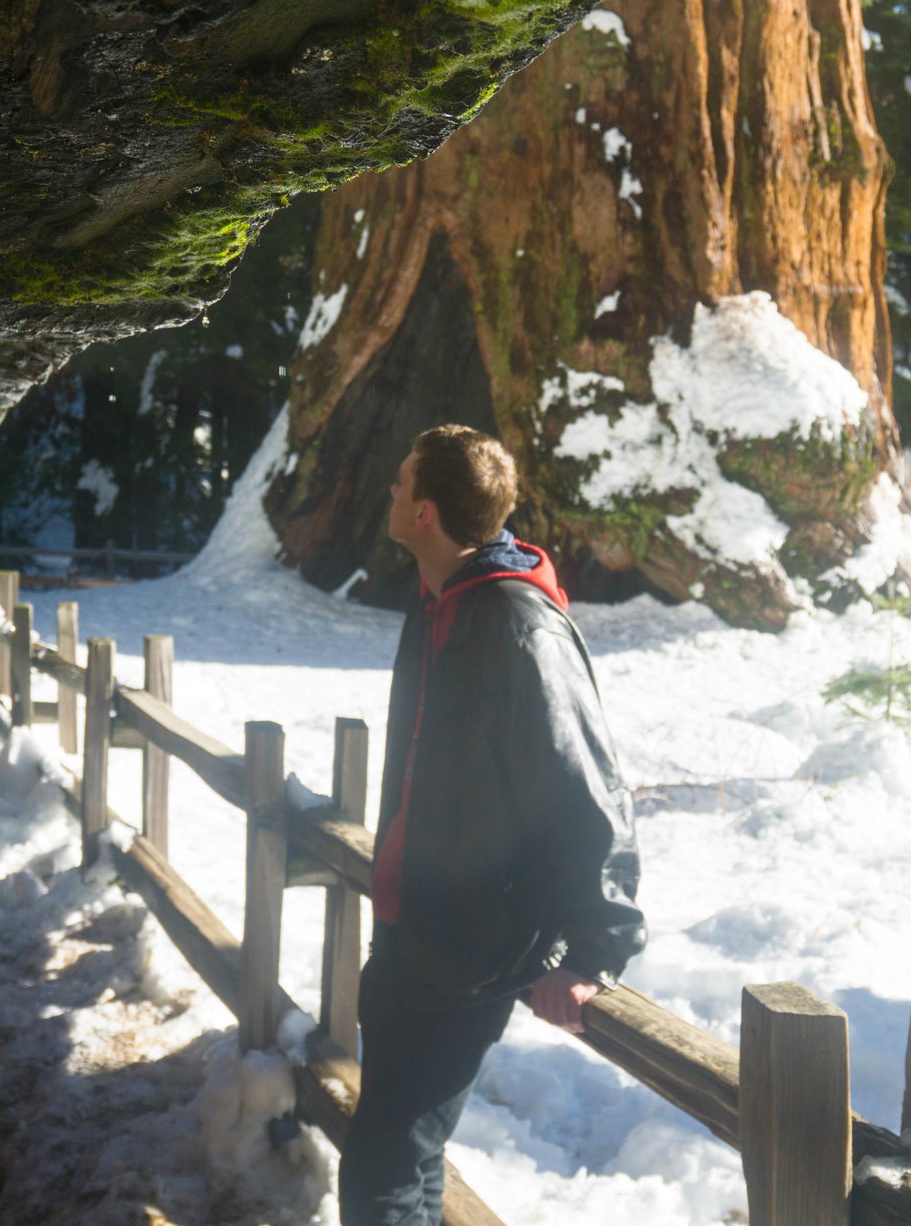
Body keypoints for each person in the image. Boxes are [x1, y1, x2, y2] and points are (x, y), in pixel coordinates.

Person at [338, 425, 647, 1226]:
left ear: (428, 513)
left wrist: (594, 948)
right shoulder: (444, 602)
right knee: (401, 1153)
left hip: (470, 947)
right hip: (417, 931)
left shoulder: (519, 626)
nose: (391, 493)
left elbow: (586, 787)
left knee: (384, 1162)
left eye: (402, 482)